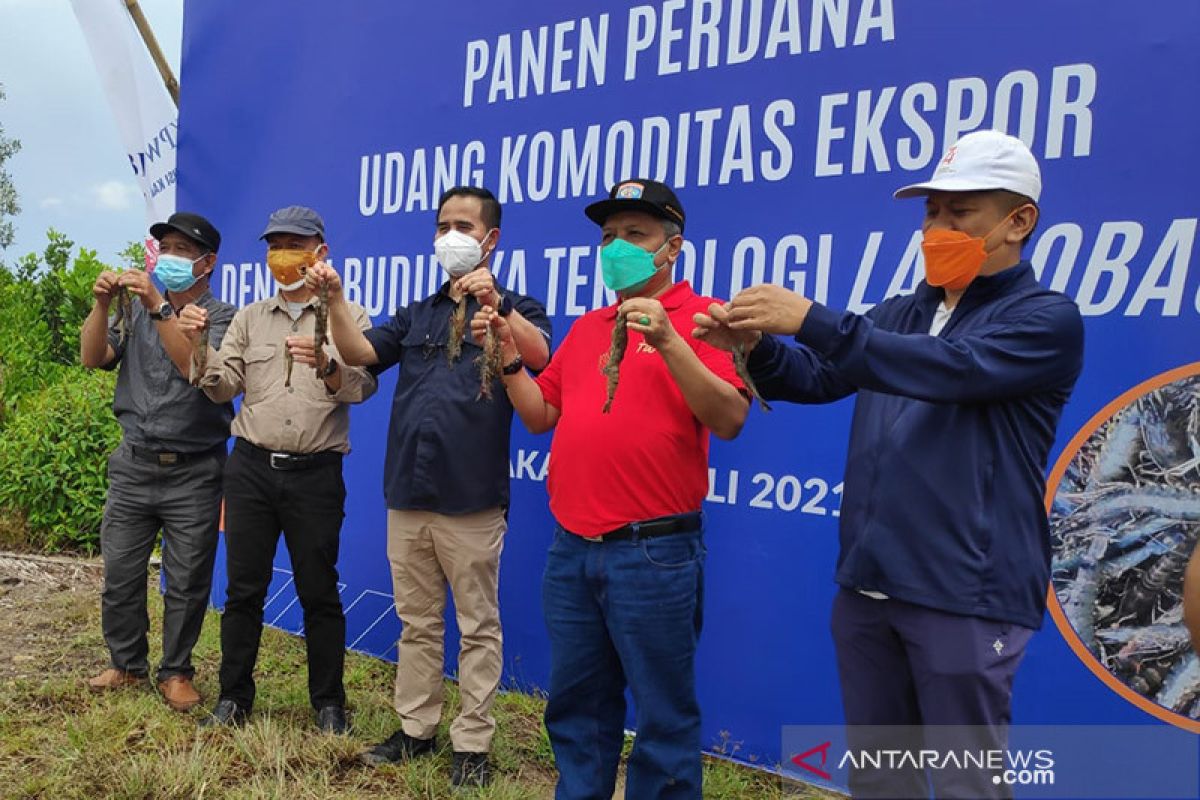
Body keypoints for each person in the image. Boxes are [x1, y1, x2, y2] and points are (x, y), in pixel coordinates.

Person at [694, 130, 1085, 799]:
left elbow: (950, 370)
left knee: (966, 787)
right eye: (931, 212)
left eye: (959, 212)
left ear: (1018, 221)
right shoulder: (905, 311)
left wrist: (815, 318)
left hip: (964, 597)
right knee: (881, 782)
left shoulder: (1046, 320)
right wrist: (757, 346)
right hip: (869, 589)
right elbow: (818, 376)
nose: (937, 227)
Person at [479, 178, 748, 799]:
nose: (617, 247)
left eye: (635, 234)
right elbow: (542, 416)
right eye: (608, 236)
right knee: (576, 704)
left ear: (671, 248)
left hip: (653, 554)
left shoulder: (704, 319)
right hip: (572, 548)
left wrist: (669, 342)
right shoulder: (589, 328)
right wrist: (511, 362)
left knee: (663, 714)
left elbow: (729, 418)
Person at [309, 186, 551, 789]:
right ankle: (416, 729)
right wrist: (336, 300)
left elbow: (543, 359)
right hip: (409, 496)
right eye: (443, 224)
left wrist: (500, 310)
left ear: (491, 239)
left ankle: (473, 742)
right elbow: (359, 350)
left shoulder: (515, 309)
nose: (451, 236)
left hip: (471, 499)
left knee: (477, 626)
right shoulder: (418, 313)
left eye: (464, 226)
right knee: (416, 623)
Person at [178, 205, 377, 733]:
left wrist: (329, 365)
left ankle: (329, 703)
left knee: (319, 589)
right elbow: (220, 386)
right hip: (249, 469)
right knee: (244, 588)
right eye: (274, 245)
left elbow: (364, 386)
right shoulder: (248, 318)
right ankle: (234, 697)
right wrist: (198, 345)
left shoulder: (348, 316)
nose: (281, 255)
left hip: (316, 473)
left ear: (320, 252)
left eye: (294, 243)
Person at [80, 212, 234, 713]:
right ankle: (125, 664)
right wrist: (102, 306)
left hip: (194, 467)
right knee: (121, 572)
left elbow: (197, 370)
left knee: (188, 580)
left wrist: (158, 305)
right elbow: (93, 356)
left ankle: (176, 671)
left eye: (181, 249)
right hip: (133, 462)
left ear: (207, 263)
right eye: (164, 245)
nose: (168, 255)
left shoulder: (223, 317)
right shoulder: (137, 309)